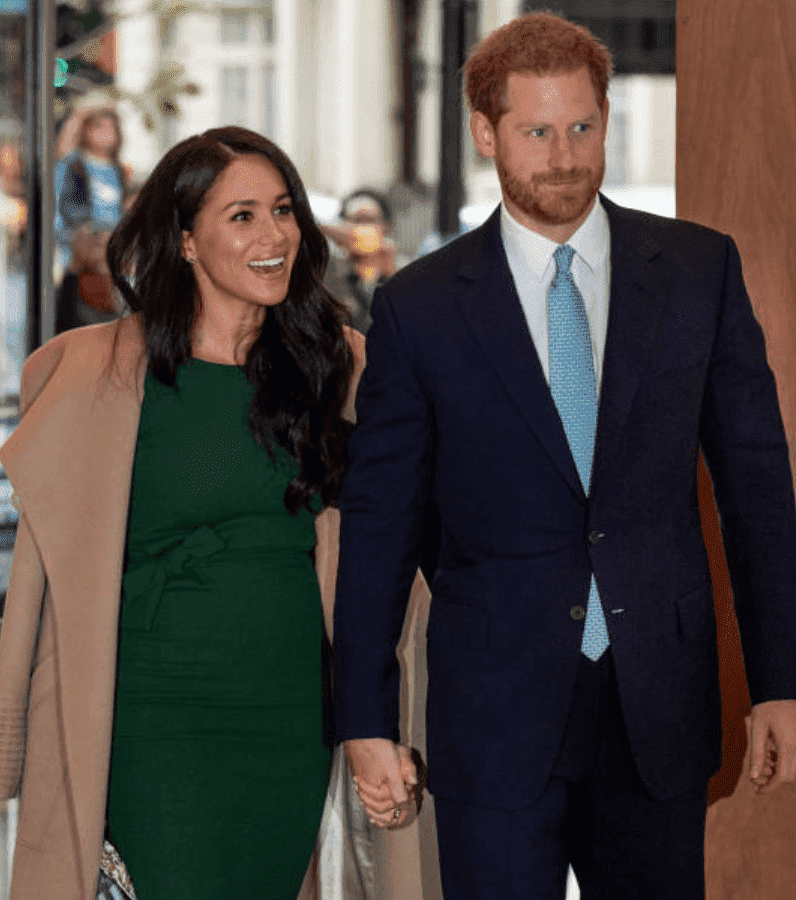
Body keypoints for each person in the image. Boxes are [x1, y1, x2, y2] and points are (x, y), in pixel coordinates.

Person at [333, 12, 796, 900]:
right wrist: (365, 716)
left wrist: (781, 681)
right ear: (486, 132)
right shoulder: (418, 309)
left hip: (656, 708)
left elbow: (759, 495)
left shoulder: (700, 272)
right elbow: (381, 524)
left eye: (582, 126)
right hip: (493, 712)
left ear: (608, 120)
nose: (564, 154)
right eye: (537, 131)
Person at [0, 126, 365, 899]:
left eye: (283, 209)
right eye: (241, 216)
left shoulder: (342, 366)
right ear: (186, 240)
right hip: (150, 712)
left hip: (289, 710)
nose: (274, 236)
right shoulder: (92, 374)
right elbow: (38, 582)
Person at [54, 100, 130, 331]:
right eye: (99, 127)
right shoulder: (75, 165)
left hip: (108, 257)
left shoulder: (117, 169)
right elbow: (69, 210)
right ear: (86, 131)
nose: (106, 135)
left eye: (111, 128)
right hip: (81, 254)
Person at [322, 189, 401, 334]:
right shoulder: (329, 275)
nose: (362, 228)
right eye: (356, 221)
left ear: (385, 226)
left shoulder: (401, 272)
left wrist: (392, 275)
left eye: (369, 220)